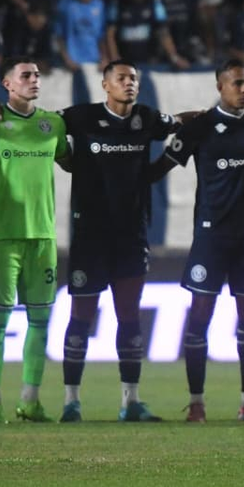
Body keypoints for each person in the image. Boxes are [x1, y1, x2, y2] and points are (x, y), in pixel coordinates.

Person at [149, 59, 244, 422]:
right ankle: (197, 403)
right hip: (211, 235)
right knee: (200, 315)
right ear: (221, 86)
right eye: (238, 83)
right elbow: (160, 168)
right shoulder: (199, 127)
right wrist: (119, 182)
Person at [52, 60, 188, 421]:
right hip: (89, 235)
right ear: (105, 84)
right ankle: (71, 402)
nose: (129, 84)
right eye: (122, 78)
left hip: (131, 233)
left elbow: (181, 122)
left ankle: (130, 401)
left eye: (134, 79)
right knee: (81, 317)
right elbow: (40, 123)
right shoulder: (80, 117)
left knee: (128, 317)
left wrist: (207, 119)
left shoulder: (147, 119)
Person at [0, 58, 70, 423]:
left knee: (40, 322)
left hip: (43, 236)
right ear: (7, 84)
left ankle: (30, 400)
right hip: (4, 237)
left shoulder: (53, 124)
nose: (34, 80)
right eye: (25, 75)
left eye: (37, 75)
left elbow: (72, 160)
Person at [55, 0, 107, 71]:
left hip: (94, 61)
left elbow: (101, 36)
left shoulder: (99, 4)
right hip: (73, 63)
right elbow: (59, 36)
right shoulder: (65, 4)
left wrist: (104, 58)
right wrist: (67, 59)